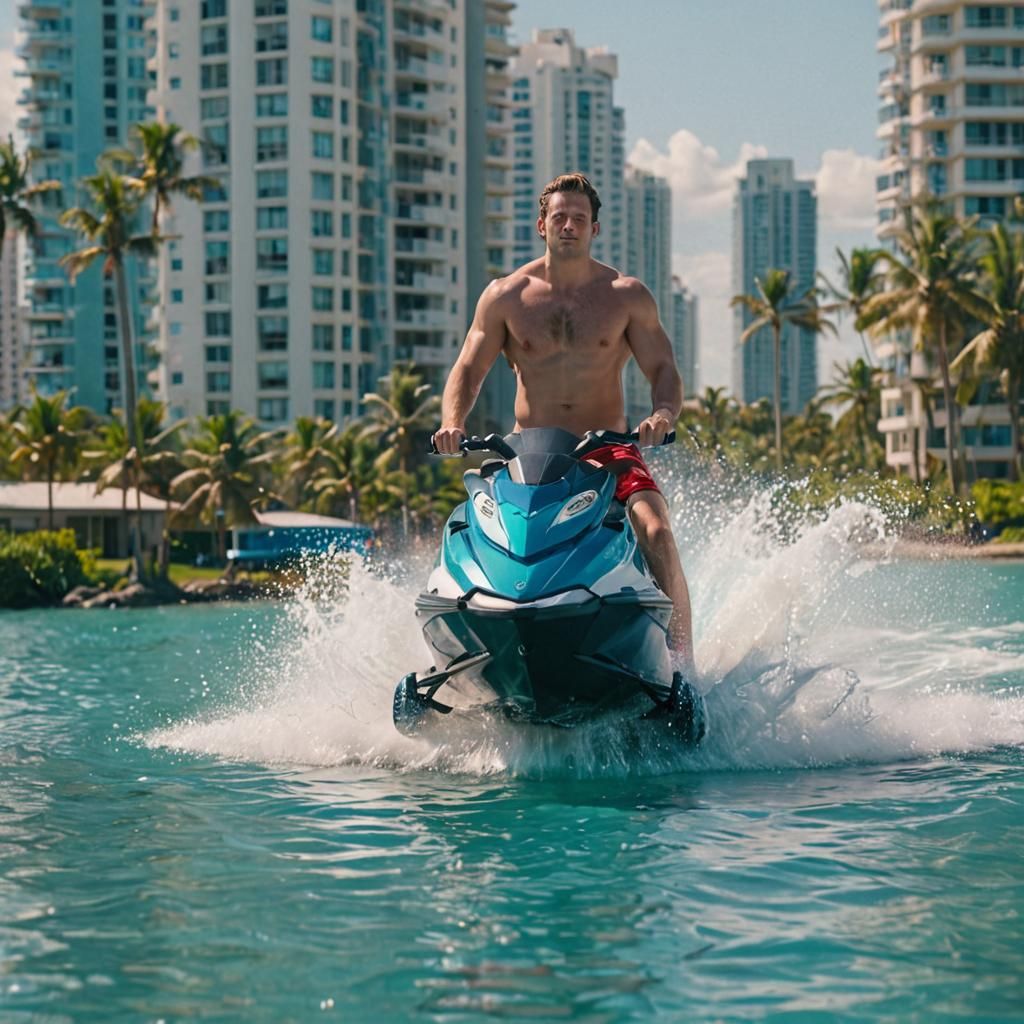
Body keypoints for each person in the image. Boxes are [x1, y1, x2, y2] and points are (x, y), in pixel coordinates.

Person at [434, 172, 695, 675]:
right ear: (542, 225)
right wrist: (452, 423)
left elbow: (664, 368)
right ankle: (467, 641)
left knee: (657, 530)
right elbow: (467, 367)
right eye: (559, 217)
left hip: (608, 451)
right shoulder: (506, 296)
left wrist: (663, 413)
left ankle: (682, 663)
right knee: (470, 527)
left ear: (595, 228)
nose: (568, 225)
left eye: (579, 218)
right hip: (526, 453)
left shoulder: (625, 295)